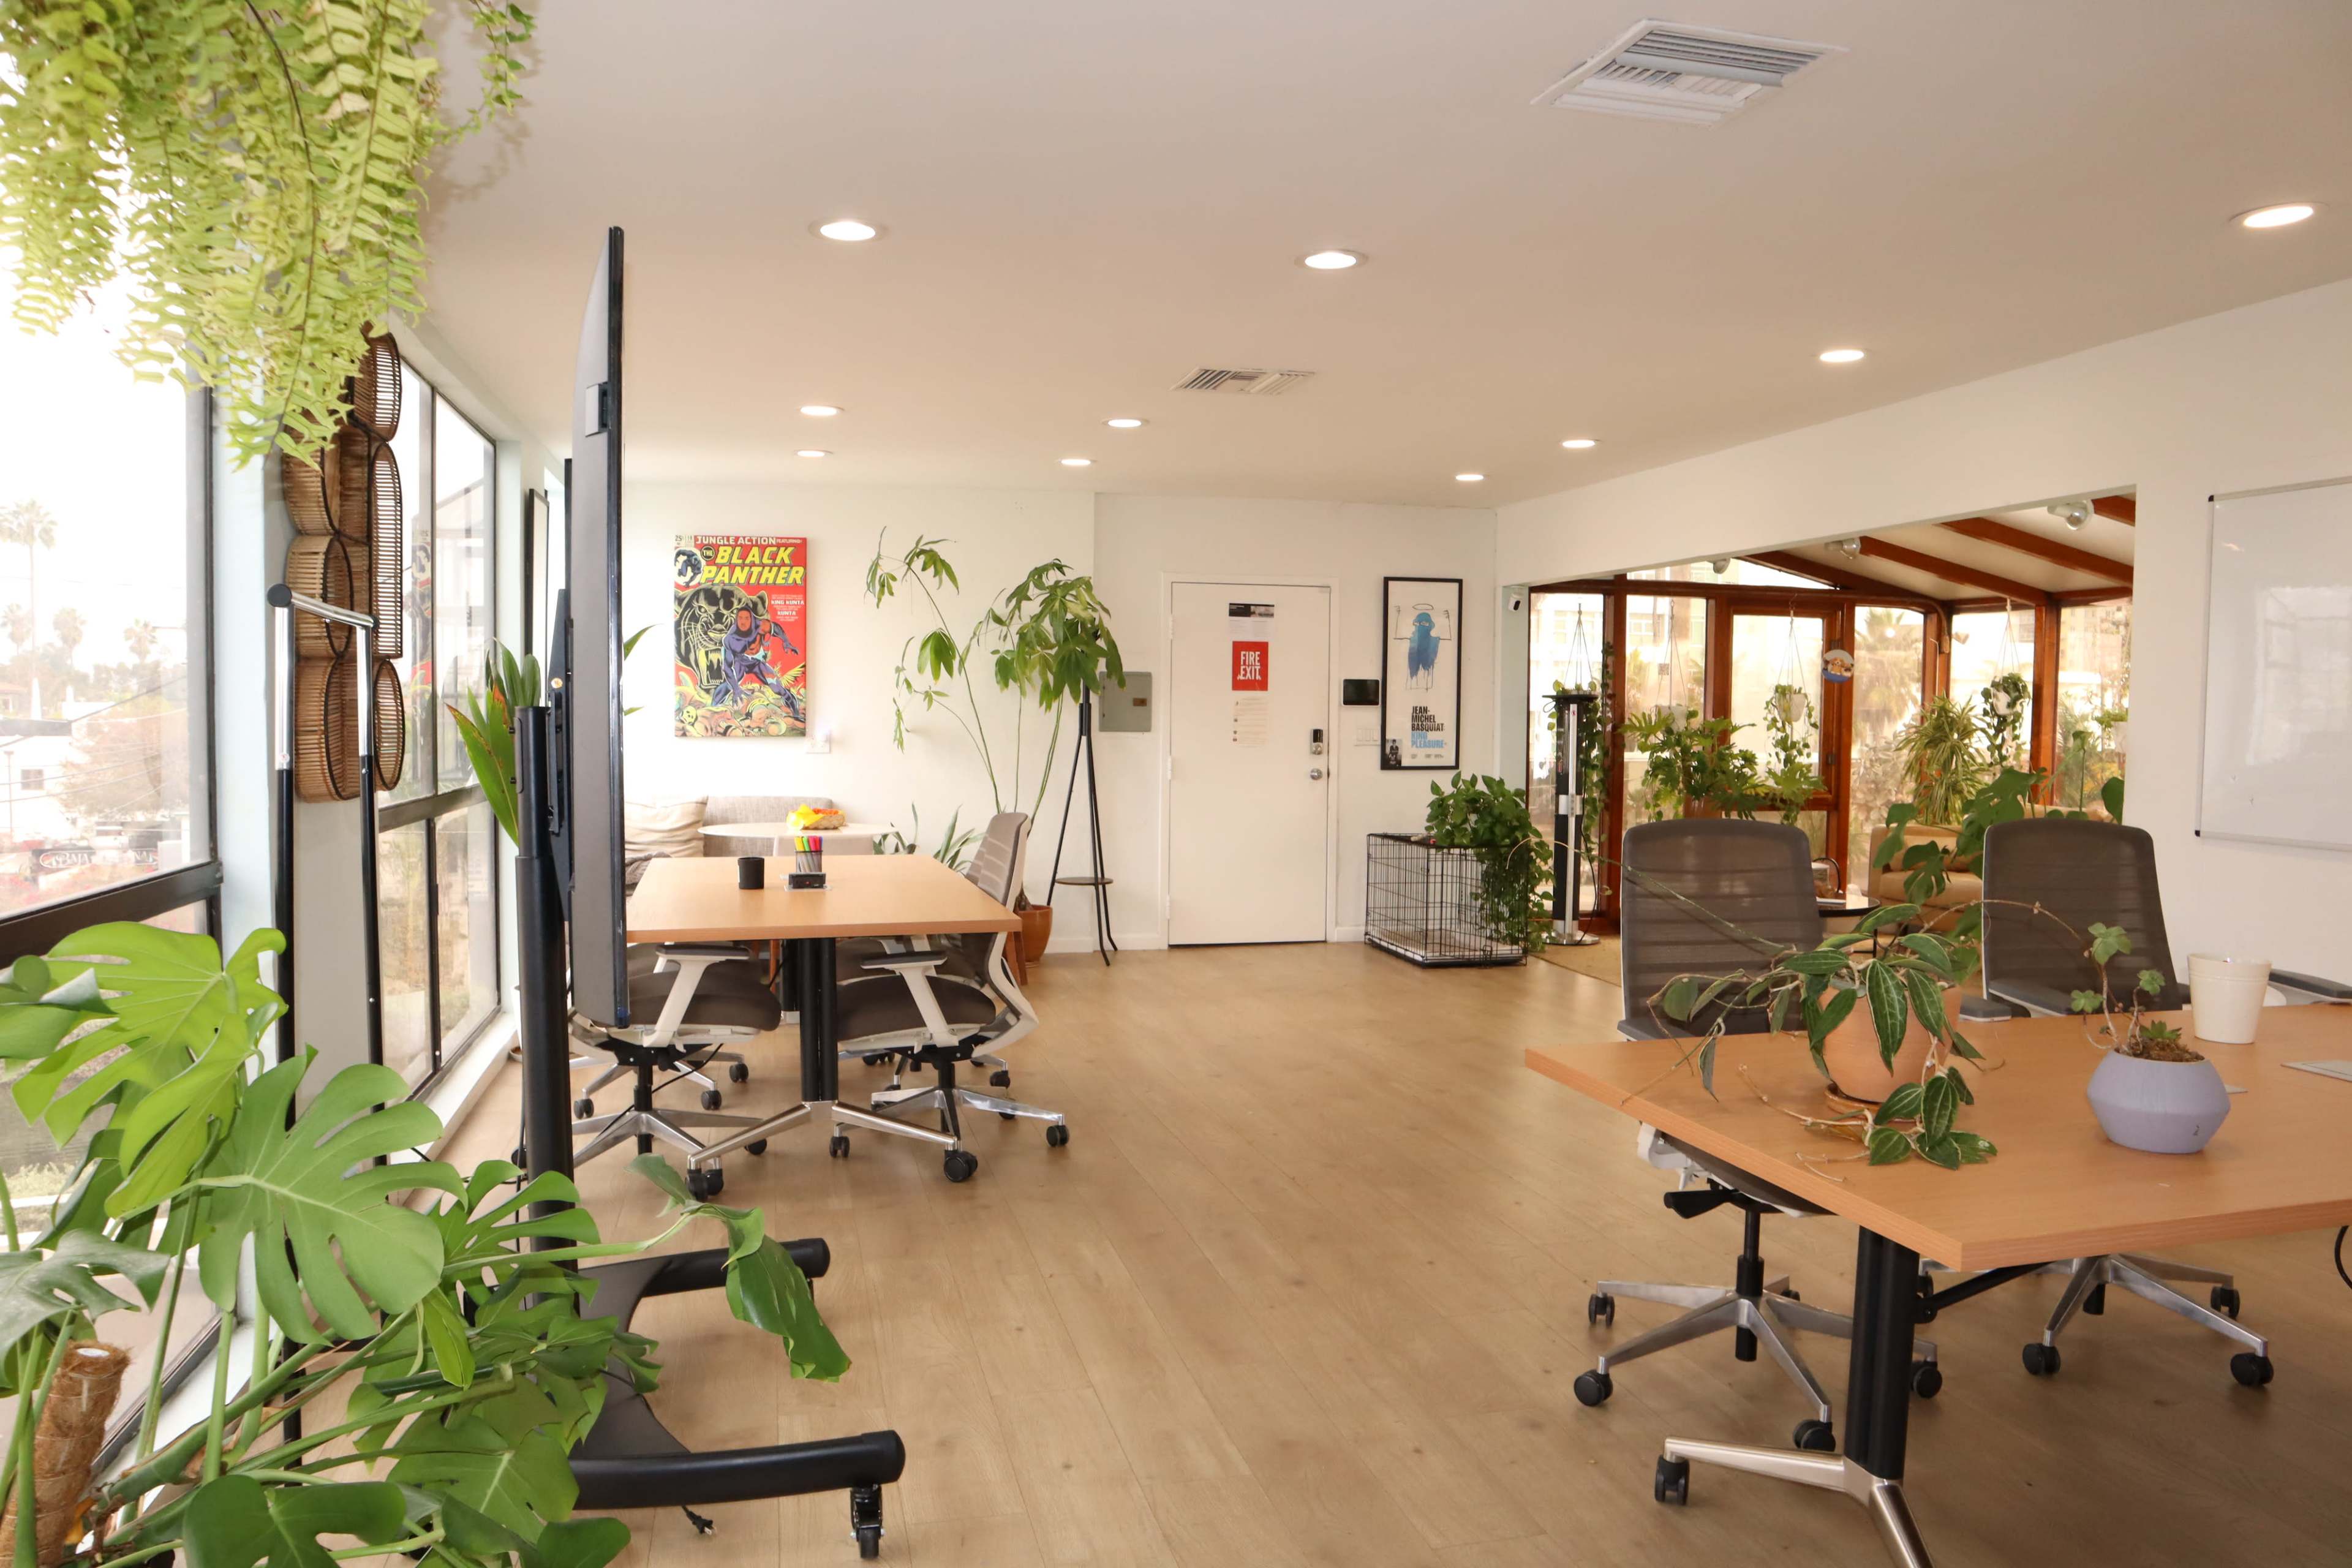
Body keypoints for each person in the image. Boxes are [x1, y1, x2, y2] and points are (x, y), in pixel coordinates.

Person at [716, 594, 799, 707]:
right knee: (728, 685)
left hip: (757, 663)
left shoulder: (761, 626)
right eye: (740, 618)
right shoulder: (730, 639)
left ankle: (794, 707)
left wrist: (786, 641)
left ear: (752, 619)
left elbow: (776, 629)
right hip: (741, 663)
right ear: (736, 620)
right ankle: (713, 707)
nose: (743, 622)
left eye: (746, 618)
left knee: (777, 688)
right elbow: (727, 667)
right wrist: (736, 689)